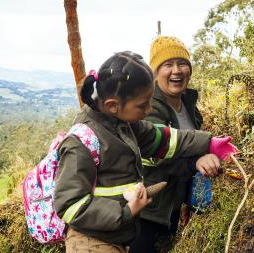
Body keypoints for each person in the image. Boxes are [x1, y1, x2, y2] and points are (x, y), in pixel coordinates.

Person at [54, 51, 237, 253]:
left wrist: (209, 143)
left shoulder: (124, 123)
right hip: (90, 241)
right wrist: (125, 212)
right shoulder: (81, 143)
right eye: (142, 105)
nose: (149, 110)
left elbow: (164, 139)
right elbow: (69, 204)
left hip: (119, 236)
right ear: (112, 105)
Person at [130, 36, 222, 253]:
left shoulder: (188, 103)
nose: (176, 71)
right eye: (167, 65)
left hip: (172, 207)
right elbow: (156, 156)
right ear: (155, 72)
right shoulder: (148, 107)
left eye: (182, 64)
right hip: (147, 209)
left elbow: (193, 143)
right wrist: (195, 162)